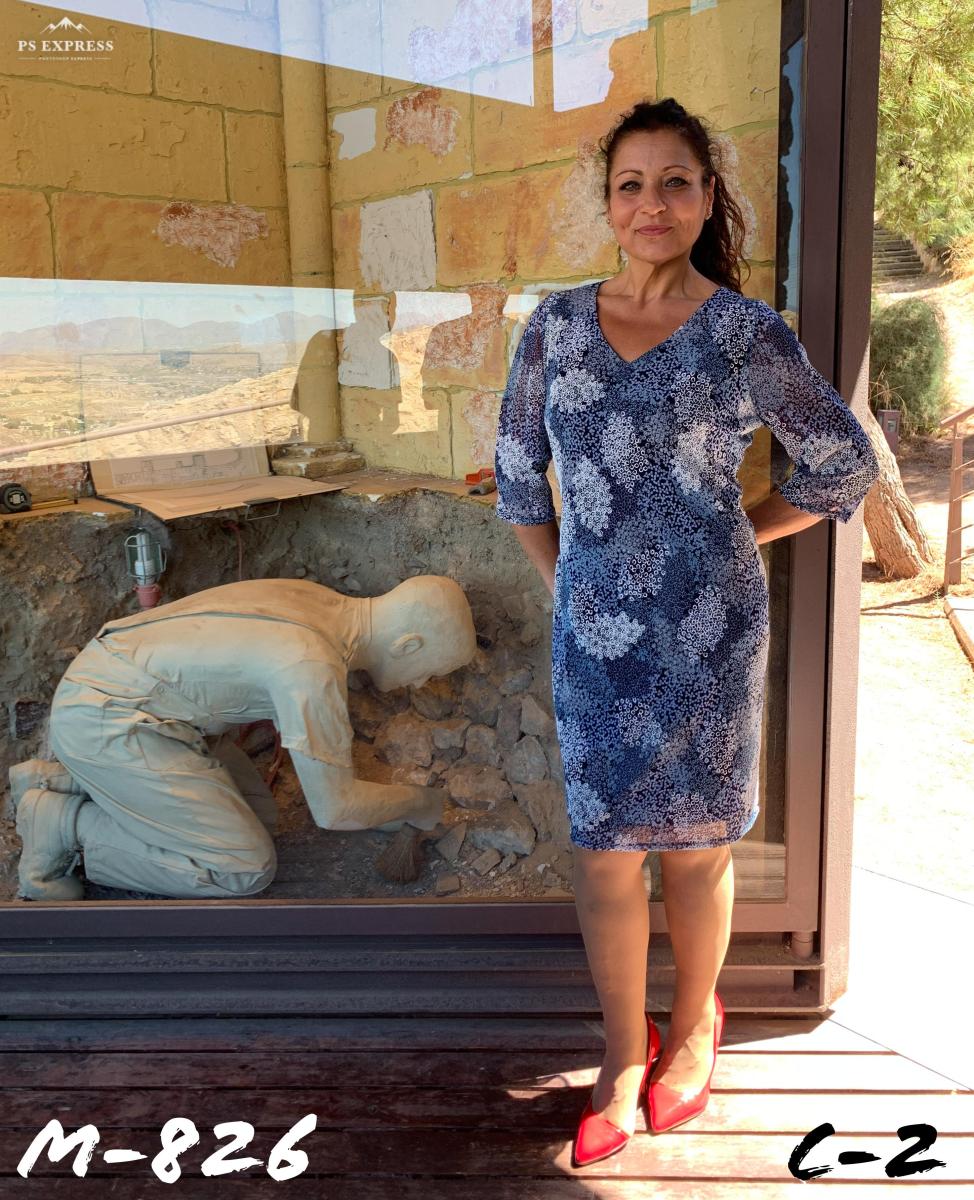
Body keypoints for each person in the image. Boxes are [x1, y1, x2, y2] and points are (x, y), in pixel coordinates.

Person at [493, 97, 880, 1166]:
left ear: (707, 198)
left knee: (699, 852)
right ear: (608, 203)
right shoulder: (556, 325)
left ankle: (696, 1023)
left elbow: (841, 461)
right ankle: (625, 1052)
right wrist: (569, 586)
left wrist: (740, 531)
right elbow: (518, 477)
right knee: (605, 856)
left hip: (711, 633)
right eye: (630, 183)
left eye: (674, 181)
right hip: (593, 639)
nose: (651, 202)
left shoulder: (746, 333)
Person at [9, 576, 476, 900]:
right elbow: (335, 810)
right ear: (408, 644)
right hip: (109, 722)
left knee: (257, 818)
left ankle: (58, 780)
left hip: (127, 696)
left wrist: (388, 810)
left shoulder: (319, 602)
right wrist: (419, 801)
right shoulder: (310, 668)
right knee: (241, 867)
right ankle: (63, 822)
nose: (421, 682)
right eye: (430, 671)